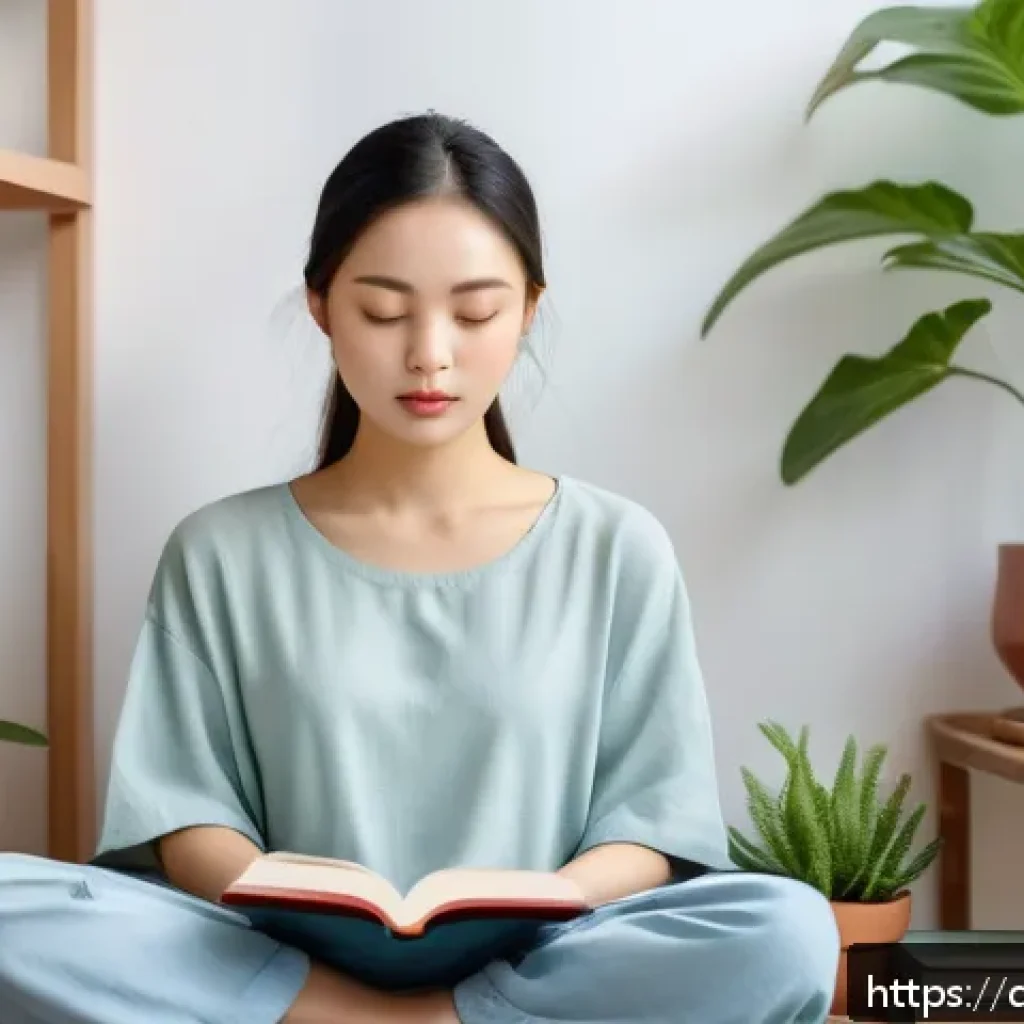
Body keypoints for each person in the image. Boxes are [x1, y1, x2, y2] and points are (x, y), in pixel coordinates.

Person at [0, 111, 840, 1024]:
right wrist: (281, 891)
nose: (430, 354)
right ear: (321, 305)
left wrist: (549, 898)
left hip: (544, 960)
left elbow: (651, 827)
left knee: (786, 928)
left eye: (475, 313)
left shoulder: (616, 548)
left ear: (528, 309)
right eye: (384, 312)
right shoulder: (220, 553)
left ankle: (436, 1016)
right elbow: (185, 819)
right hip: (280, 967)